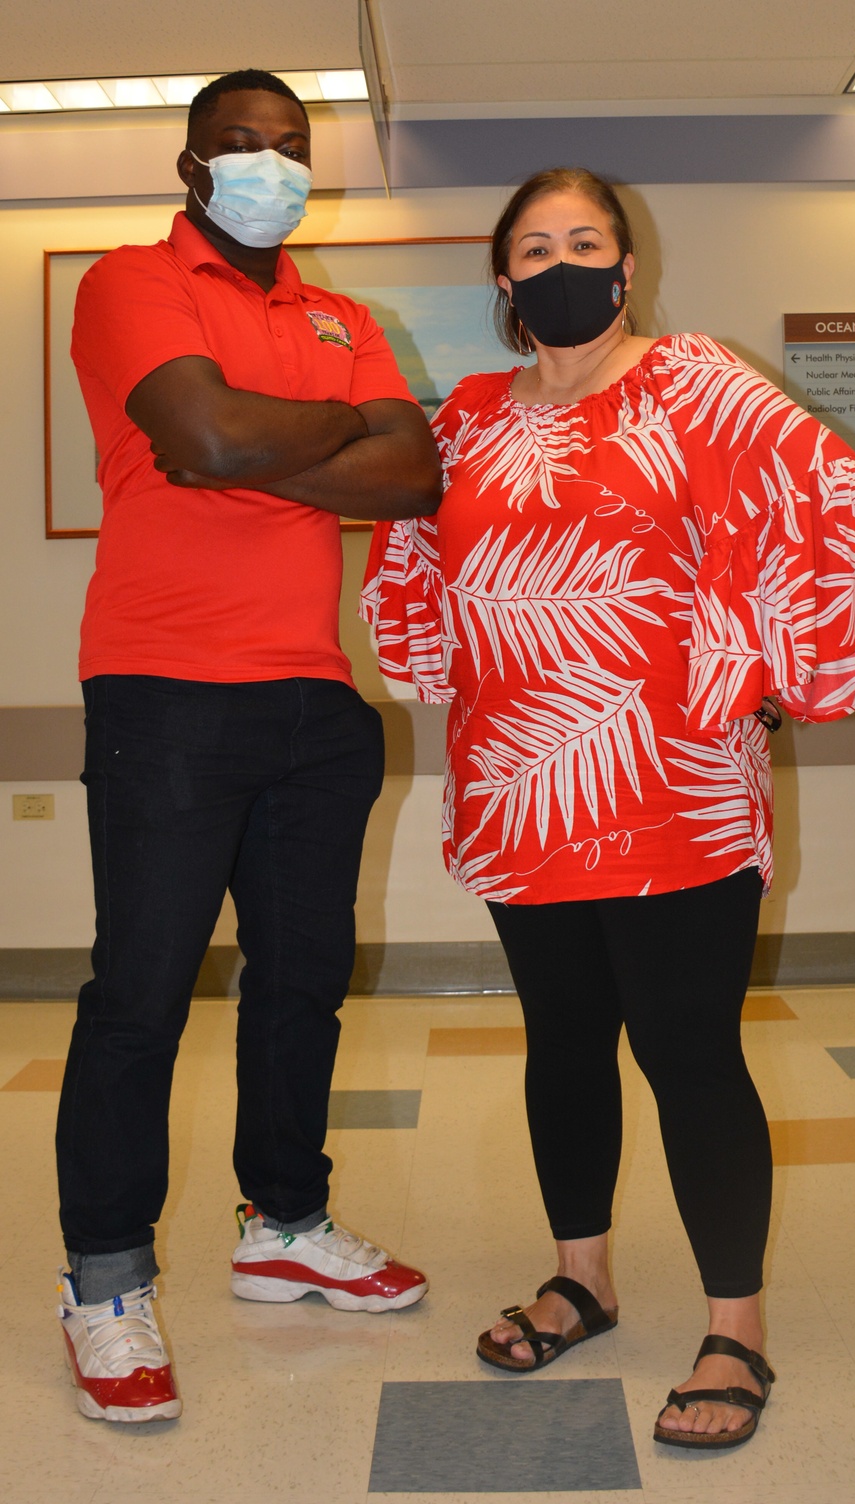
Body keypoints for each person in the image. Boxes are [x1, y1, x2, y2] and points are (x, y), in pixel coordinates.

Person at [362, 167, 855, 1451]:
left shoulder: (697, 381)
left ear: (625, 266)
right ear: (502, 278)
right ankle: (585, 1276)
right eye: (536, 245)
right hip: (525, 782)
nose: (562, 261)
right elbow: (414, 570)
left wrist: (771, 663)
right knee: (561, 1043)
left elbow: (831, 502)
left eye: (587, 240)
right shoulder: (465, 422)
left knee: (687, 1053)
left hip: (675, 787)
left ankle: (737, 1326)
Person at [56, 69, 441, 1425]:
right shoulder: (127, 285)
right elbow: (203, 432)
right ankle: (105, 1279)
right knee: (141, 996)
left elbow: (413, 477)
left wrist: (244, 436)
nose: (269, 166)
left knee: (300, 987)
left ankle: (283, 1223)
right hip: (164, 691)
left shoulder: (343, 314)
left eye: (290, 148)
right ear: (190, 166)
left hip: (314, 706)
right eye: (241, 146)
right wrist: (298, 426)